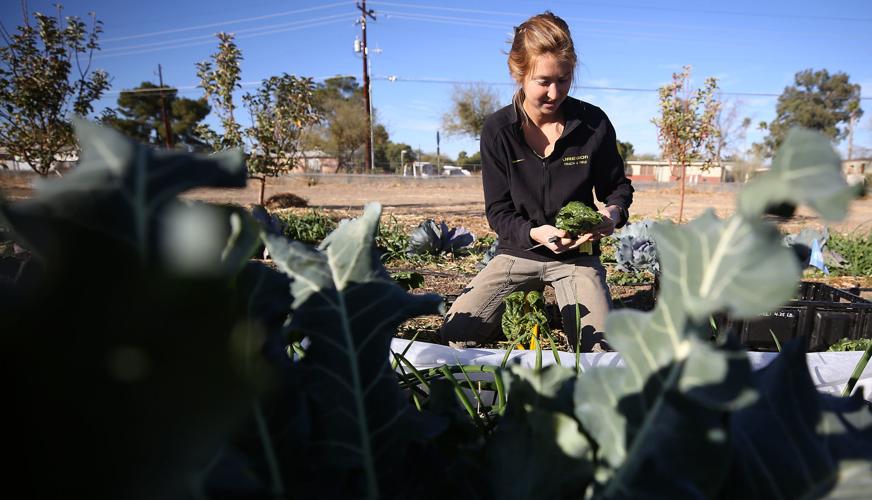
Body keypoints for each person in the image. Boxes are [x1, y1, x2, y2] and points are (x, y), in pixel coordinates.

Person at [439, 11, 633, 351]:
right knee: (456, 336)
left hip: (577, 257)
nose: (554, 92)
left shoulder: (592, 123)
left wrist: (612, 214)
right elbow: (498, 210)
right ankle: (531, 300)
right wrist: (535, 232)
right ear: (518, 72)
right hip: (518, 252)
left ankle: (565, 300)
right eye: (543, 81)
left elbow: (616, 187)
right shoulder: (498, 130)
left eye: (564, 79)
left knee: (600, 349)